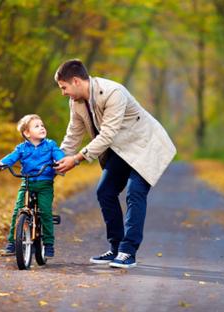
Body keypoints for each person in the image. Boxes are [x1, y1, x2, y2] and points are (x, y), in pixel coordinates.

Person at [54, 59, 177, 269]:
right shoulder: (76, 102)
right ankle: (116, 247)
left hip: (145, 145)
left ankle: (128, 252)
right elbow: (73, 134)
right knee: (105, 191)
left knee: (134, 192)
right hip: (122, 149)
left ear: (75, 81)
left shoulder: (113, 92)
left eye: (64, 87)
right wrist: (56, 163)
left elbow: (107, 135)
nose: (63, 93)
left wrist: (76, 159)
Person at [0, 114, 65, 257]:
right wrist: (1, 163)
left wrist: (60, 161)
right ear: (27, 133)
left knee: (45, 211)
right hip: (27, 183)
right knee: (17, 211)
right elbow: (11, 158)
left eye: (42, 125)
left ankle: (48, 243)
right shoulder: (21, 148)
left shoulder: (50, 145)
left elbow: (59, 154)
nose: (42, 128)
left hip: (44, 184)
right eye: (36, 126)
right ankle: (12, 243)